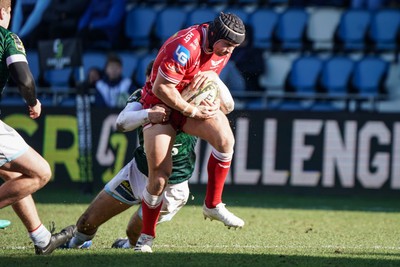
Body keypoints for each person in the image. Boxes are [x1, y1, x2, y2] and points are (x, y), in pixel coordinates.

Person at [137, 12, 246, 253]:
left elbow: (202, 81)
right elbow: (162, 87)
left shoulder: (222, 49)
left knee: (226, 140)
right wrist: (192, 110)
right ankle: (146, 237)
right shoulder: (184, 47)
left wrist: (212, 88)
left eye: (234, 47)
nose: (229, 51)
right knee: (160, 176)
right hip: (161, 107)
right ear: (215, 35)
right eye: (227, 45)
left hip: (189, 106)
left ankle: (213, 204)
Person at [0, 0, 74, 255]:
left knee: (13, 176)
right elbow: (24, 78)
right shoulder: (7, 37)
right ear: (4, 12)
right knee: (41, 172)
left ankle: (42, 239)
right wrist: (33, 102)